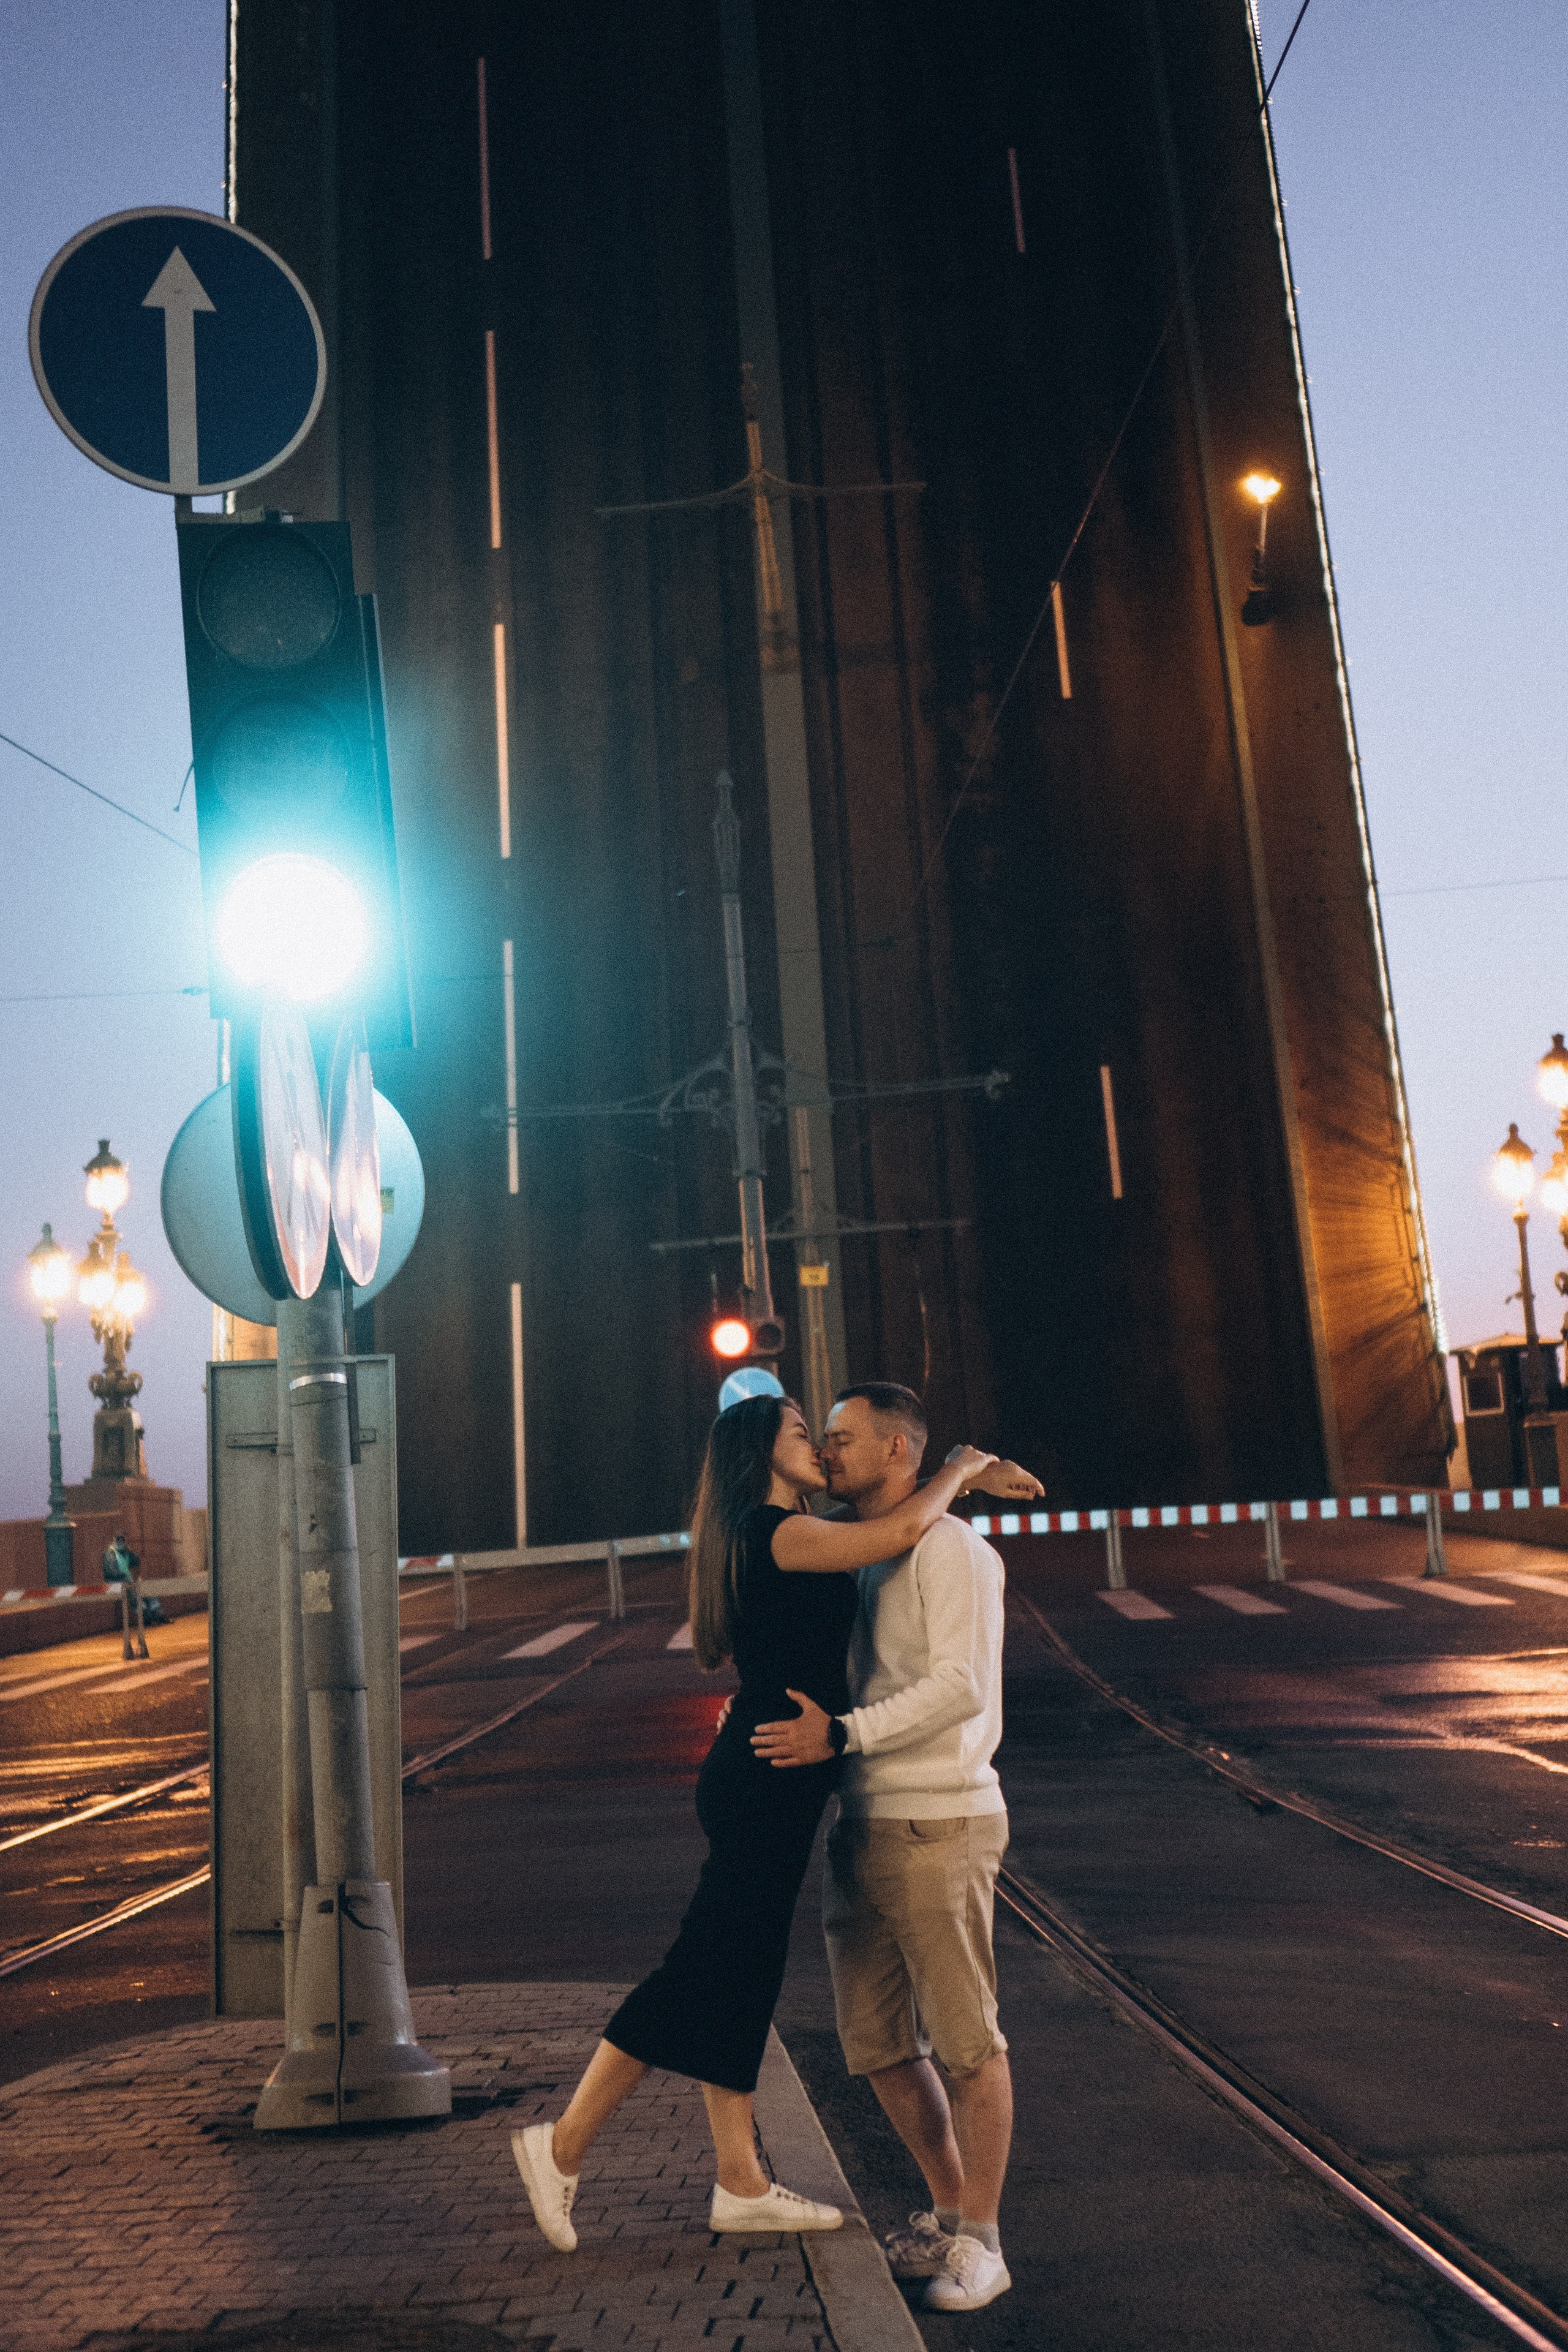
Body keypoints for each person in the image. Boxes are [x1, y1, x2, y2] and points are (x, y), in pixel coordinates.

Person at [510, 1392, 1000, 2253]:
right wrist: (960, 1469)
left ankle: (739, 2180)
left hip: (773, 1769)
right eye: (804, 1435)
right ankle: (560, 2146)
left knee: (740, 1968)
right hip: (772, 1770)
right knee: (702, 1965)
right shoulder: (775, 1529)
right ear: (762, 1451)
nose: (819, 1448)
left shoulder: (767, 1528)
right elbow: (893, 1535)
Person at [750, 1382, 1017, 2313]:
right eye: (821, 1437)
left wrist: (847, 1736)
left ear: (900, 1451)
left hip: (940, 1819)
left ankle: (982, 2242)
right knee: (875, 2046)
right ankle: (946, 2210)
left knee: (968, 2043)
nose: (827, 1452)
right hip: (861, 1821)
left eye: (844, 1438)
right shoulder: (865, 1553)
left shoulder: (953, 1552)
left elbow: (956, 1689)